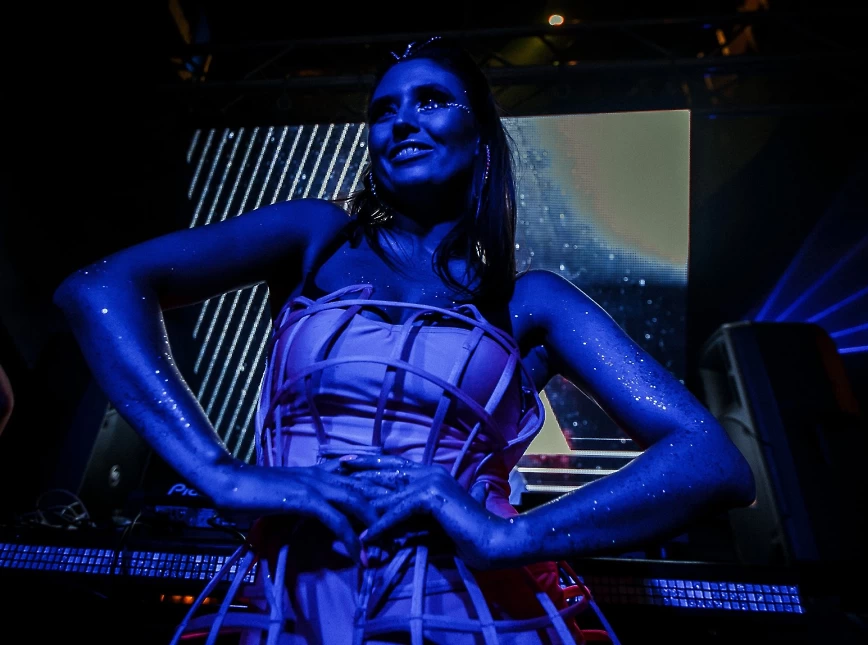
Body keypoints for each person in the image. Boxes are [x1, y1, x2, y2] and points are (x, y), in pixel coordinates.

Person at [53, 37, 755, 645]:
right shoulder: (315, 237)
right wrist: (218, 474)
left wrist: (510, 535)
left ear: (481, 136)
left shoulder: (528, 302)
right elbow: (98, 289)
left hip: (464, 611)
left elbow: (711, 461)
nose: (401, 121)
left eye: (431, 101)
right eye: (383, 109)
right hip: (295, 603)